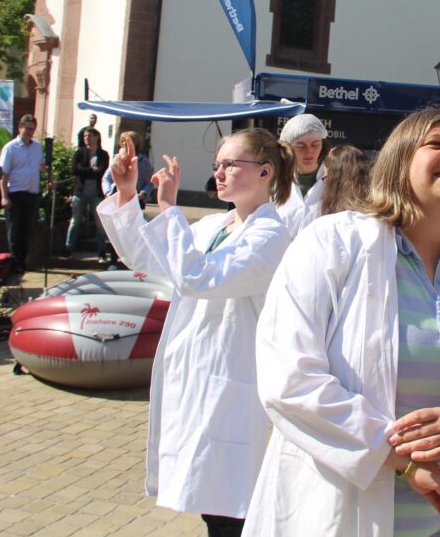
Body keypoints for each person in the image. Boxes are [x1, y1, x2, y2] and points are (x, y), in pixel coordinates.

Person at [244, 105, 440, 536]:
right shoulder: (333, 245)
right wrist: (402, 463)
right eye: (437, 144)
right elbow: (288, 378)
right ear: (399, 163)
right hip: (332, 518)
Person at [98, 129, 295, 537]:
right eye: (216, 166)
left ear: (264, 172)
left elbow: (198, 278)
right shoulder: (212, 227)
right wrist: (127, 194)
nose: (219, 174)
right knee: (212, 505)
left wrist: (170, 207)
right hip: (198, 379)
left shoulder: (271, 237)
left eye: (229, 165)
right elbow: (148, 259)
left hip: (233, 385)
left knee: (233, 509)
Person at [0, 114, 47, 273]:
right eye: (27, 129)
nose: (30, 132)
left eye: (32, 129)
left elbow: (42, 165)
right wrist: (4, 196)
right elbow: (3, 174)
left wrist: (49, 174)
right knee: (15, 229)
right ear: (20, 128)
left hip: (32, 193)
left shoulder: (37, 146)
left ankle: (23, 259)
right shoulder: (10, 147)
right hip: (16, 193)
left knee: (27, 228)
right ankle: (15, 260)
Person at [62, 127, 110, 260]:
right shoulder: (80, 153)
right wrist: (91, 170)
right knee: (75, 221)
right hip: (80, 192)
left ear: (96, 137)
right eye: (85, 136)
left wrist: (86, 171)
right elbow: (74, 170)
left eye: (89, 136)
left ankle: (101, 252)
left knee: (99, 223)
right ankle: (68, 249)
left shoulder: (103, 154)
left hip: (96, 194)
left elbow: (102, 171)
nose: (87, 138)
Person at [276, 113, 328, 235]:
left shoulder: (336, 178)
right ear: (288, 148)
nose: (309, 151)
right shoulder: (275, 181)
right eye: (301, 145)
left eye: (315, 144)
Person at [101, 130, 156, 207]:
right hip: (115, 197)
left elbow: (149, 183)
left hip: (134, 199)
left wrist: (142, 194)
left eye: (129, 141)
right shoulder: (117, 159)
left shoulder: (143, 161)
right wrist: (108, 193)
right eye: (122, 141)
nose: (124, 143)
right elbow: (106, 178)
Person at [319, 144, 371, 217]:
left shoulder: (321, 224)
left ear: (336, 183)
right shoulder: (383, 220)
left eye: (327, 178)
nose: (325, 185)